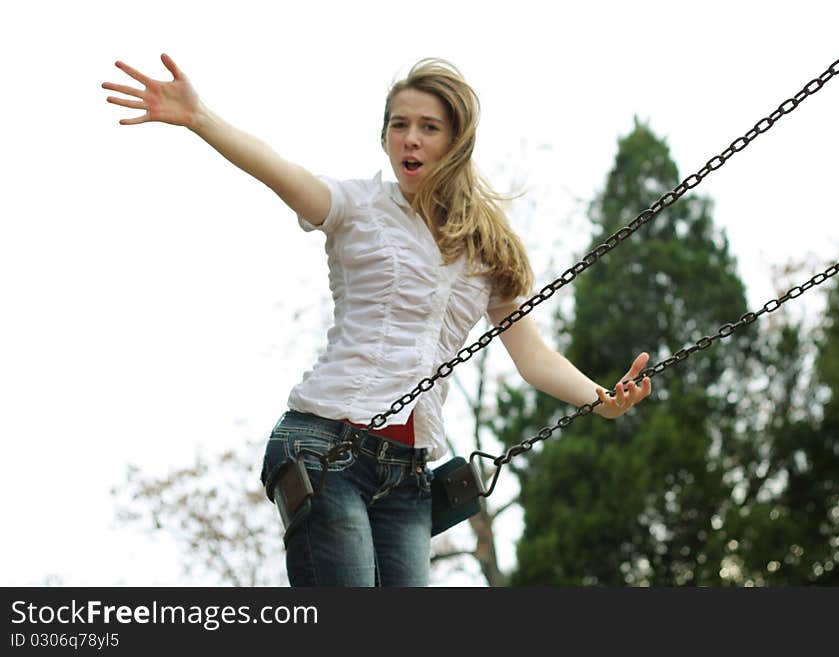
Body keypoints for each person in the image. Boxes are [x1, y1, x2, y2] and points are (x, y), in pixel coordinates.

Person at [102, 54, 653, 587]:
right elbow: (278, 170)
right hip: (325, 448)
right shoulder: (356, 206)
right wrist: (201, 118)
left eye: (428, 126)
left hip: (409, 475)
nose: (410, 137)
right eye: (399, 125)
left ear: (455, 141)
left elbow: (533, 357)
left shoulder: (484, 248)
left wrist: (600, 399)